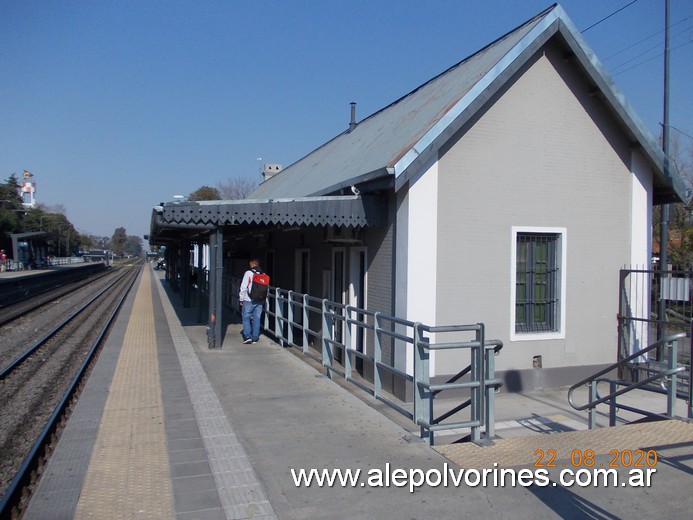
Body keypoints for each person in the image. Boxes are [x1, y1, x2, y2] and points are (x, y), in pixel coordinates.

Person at [239, 258, 265, 344]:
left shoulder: (248, 273)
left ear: (253, 264)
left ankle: (247, 337)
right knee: (257, 319)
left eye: (250, 264)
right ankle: (255, 338)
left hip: (248, 300)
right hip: (260, 300)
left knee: (246, 318)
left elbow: (243, 286)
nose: (250, 266)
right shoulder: (263, 274)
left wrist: (241, 299)